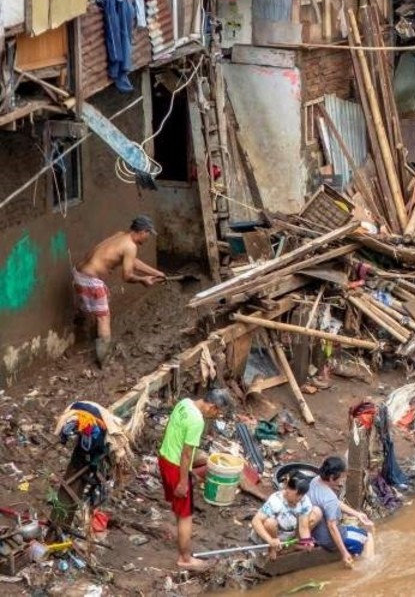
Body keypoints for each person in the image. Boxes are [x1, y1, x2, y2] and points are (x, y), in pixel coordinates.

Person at [73, 215, 165, 366]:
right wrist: (143, 280)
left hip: (79, 274)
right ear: (142, 231)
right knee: (104, 318)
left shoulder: (121, 236)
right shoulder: (130, 246)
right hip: (90, 281)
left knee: (97, 310)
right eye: (149, 234)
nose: (148, 238)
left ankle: (86, 326)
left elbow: (133, 261)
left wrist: (156, 273)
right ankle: (104, 360)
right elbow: (127, 276)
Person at [157, 389, 233, 571]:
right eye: (218, 413)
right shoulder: (197, 420)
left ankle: (183, 544)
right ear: (213, 407)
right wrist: (183, 481)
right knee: (185, 515)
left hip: (165, 457)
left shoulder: (184, 403)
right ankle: (185, 558)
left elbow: (172, 431)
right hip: (176, 465)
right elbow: (186, 453)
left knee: (180, 508)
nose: (216, 416)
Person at [307, 456, 375, 569]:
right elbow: (332, 527)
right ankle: (369, 567)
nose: (342, 481)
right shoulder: (329, 498)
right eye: (341, 478)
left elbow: (335, 503)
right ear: (332, 477)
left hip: (314, 532)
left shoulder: (315, 481)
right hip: (327, 539)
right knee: (367, 536)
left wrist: (357, 514)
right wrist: (344, 553)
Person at [250, 474, 320, 559]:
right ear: (288, 490)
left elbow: (303, 526)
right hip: (275, 533)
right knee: (270, 523)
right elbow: (255, 521)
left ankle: (291, 544)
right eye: (296, 495)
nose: (298, 499)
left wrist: (307, 541)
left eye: (301, 496)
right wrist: (271, 540)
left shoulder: (304, 500)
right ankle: (273, 548)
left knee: (317, 512)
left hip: (289, 533)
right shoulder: (276, 501)